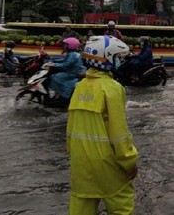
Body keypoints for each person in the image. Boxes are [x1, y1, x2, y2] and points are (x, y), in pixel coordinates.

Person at [67, 35, 138, 214]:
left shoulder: (79, 87)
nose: (121, 61)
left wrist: (74, 155)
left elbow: (70, 130)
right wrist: (130, 162)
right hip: (107, 162)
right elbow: (119, 134)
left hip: (80, 162)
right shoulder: (113, 88)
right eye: (118, 57)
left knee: (81, 205)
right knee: (121, 203)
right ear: (108, 58)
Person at [45, 37, 86, 102]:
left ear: (70, 46)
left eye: (65, 44)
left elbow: (66, 65)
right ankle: (58, 95)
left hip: (71, 74)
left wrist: (54, 65)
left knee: (54, 78)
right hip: (74, 71)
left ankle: (61, 96)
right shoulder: (73, 53)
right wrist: (53, 61)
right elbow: (64, 60)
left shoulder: (72, 54)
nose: (64, 46)